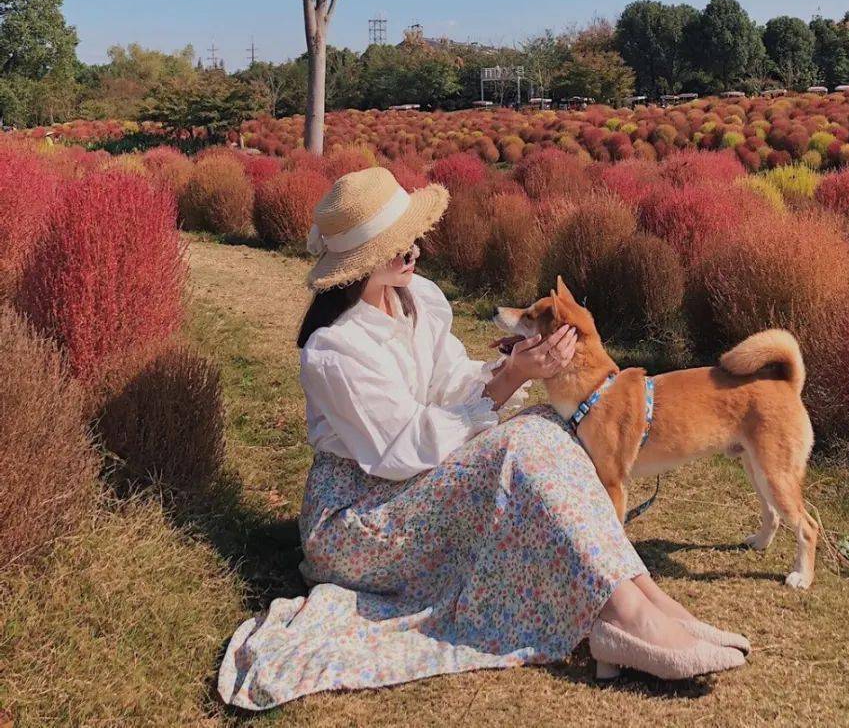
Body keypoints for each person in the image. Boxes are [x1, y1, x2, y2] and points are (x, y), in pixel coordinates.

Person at [218, 166, 748, 711]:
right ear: (359, 263)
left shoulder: (413, 298)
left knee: (543, 423)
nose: (415, 250)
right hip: (361, 521)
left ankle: (641, 599)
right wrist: (514, 378)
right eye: (397, 244)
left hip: (412, 488)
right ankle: (624, 615)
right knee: (518, 445)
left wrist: (515, 367)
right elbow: (402, 451)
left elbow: (454, 385)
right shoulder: (335, 350)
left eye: (412, 236)